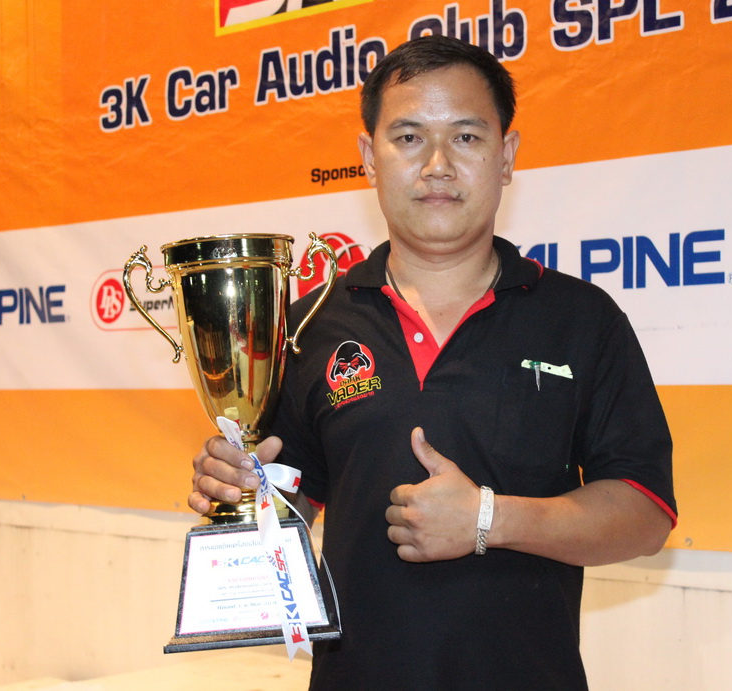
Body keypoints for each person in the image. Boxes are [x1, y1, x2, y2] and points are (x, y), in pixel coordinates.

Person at [189, 34, 676, 690]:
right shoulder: (307, 325)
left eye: (466, 137)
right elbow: (291, 502)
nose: (438, 165)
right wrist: (242, 490)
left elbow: (645, 515)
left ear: (506, 156)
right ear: (369, 158)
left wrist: (488, 519)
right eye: (409, 137)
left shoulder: (581, 319)